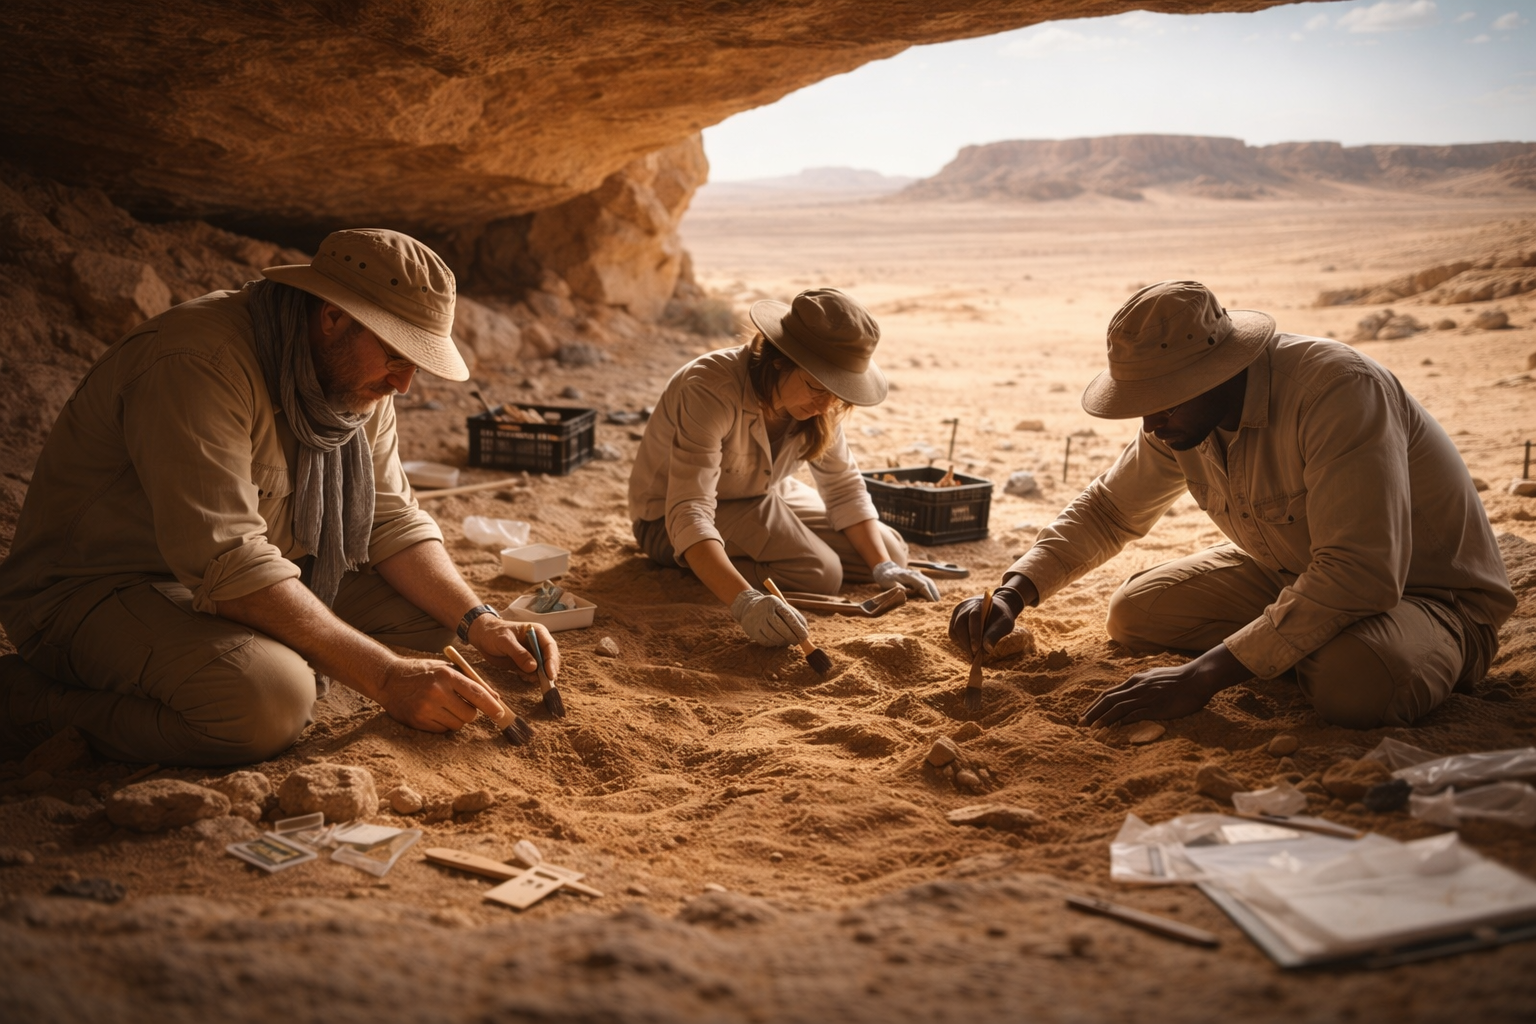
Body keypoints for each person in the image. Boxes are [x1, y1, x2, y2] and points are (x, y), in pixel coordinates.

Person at [0, 229, 559, 765]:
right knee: (269, 700)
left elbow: (390, 519)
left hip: (254, 568)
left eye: (415, 362)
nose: (403, 384)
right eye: (397, 356)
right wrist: (386, 677)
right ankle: (27, 702)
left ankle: (263, 646)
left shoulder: (356, 375)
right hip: (98, 589)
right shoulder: (197, 362)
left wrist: (481, 621)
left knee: (438, 624)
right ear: (333, 316)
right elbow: (230, 562)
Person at [950, 280, 1514, 729]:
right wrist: (1013, 592)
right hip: (1293, 573)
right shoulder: (1181, 419)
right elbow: (1109, 511)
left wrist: (1201, 677)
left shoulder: (1337, 391)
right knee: (1135, 613)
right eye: (1142, 401)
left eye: (1163, 402)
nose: (1150, 422)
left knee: (1355, 685)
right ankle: (1296, 643)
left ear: (1220, 371)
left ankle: (1333, 649)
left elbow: (1361, 573)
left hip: (1428, 597)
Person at [629, 288, 939, 647]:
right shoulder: (710, 387)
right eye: (817, 387)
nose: (826, 405)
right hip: (666, 520)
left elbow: (843, 486)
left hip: (759, 491)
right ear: (779, 359)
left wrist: (884, 566)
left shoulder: (822, 400)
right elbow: (690, 508)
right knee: (821, 573)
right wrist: (745, 602)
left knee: (891, 550)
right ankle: (716, 573)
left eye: (839, 392)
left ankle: (848, 561)